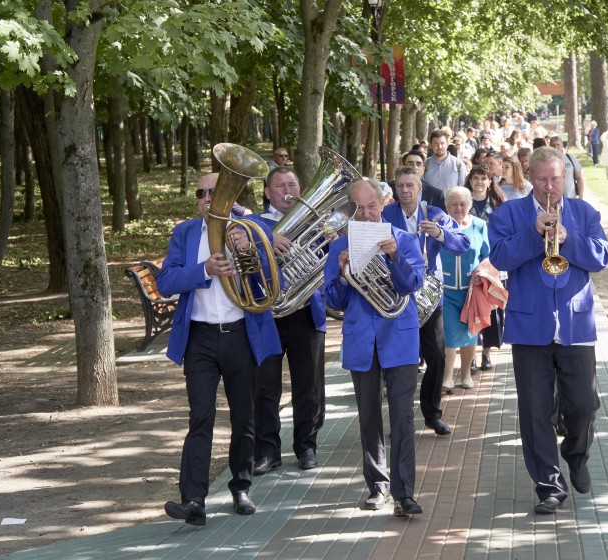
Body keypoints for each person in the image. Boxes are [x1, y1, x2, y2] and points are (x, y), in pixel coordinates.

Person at [488, 147, 608, 514]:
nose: (548, 187)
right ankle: (549, 486)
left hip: (575, 324)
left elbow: (601, 257)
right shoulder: (510, 213)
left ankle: (575, 453)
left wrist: (569, 239)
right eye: (541, 179)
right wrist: (532, 234)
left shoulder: (585, 213)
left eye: (555, 179)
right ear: (529, 177)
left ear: (565, 178)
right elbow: (499, 257)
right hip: (529, 327)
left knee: (584, 406)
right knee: (535, 411)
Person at [157, 173, 281, 526]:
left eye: (216, 191)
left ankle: (241, 486)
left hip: (241, 334)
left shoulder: (249, 230)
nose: (209, 198)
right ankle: (193, 500)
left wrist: (247, 252)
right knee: (201, 417)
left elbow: (272, 284)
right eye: (202, 193)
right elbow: (166, 282)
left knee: (244, 417)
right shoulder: (184, 232)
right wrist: (204, 270)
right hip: (200, 339)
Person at [323, 179, 426, 516]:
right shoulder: (339, 245)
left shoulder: (405, 239)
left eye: (371, 206)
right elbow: (333, 300)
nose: (366, 214)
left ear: (383, 203)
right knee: (368, 417)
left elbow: (413, 284)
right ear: (350, 210)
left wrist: (395, 255)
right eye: (358, 208)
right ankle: (377, 486)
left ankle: (404, 492)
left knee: (403, 417)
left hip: (400, 336)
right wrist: (340, 273)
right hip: (362, 338)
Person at [253, 166, 330, 475]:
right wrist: (266, 246)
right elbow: (241, 260)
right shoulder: (253, 225)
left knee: (309, 385)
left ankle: (306, 445)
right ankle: (268, 451)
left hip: (306, 312)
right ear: (268, 192)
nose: (288, 189)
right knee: (265, 387)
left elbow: (327, 262)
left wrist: (333, 240)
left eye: (293, 184)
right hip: (267, 315)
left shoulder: (316, 221)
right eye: (280, 185)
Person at [383, 168, 470, 435]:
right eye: (400, 186)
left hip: (430, 297)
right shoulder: (386, 215)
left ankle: (432, 413)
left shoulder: (435, 214)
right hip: (395, 294)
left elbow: (462, 243)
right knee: (400, 359)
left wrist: (440, 234)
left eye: (410, 185)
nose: (405, 190)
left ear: (420, 188)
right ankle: (401, 416)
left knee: (437, 356)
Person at [440, 186, 490, 391]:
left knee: (470, 333)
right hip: (447, 289)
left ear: (469, 205)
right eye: (454, 204)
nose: (458, 208)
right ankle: (447, 377)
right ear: (446, 206)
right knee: (450, 334)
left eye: (462, 204)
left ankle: (466, 373)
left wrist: (481, 274)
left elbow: (486, 256)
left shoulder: (479, 225)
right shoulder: (440, 226)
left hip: (471, 290)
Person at [464, 166, 505, 372]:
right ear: (469, 181)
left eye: (483, 178)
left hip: (493, 263)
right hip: (469, 264)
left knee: (491, 309)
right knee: (471, 310)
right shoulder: (463, 202)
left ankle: (486, 354)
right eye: (475, 178)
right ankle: (470, 356)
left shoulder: (498, 204)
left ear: (490, 182)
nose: (479, 182)